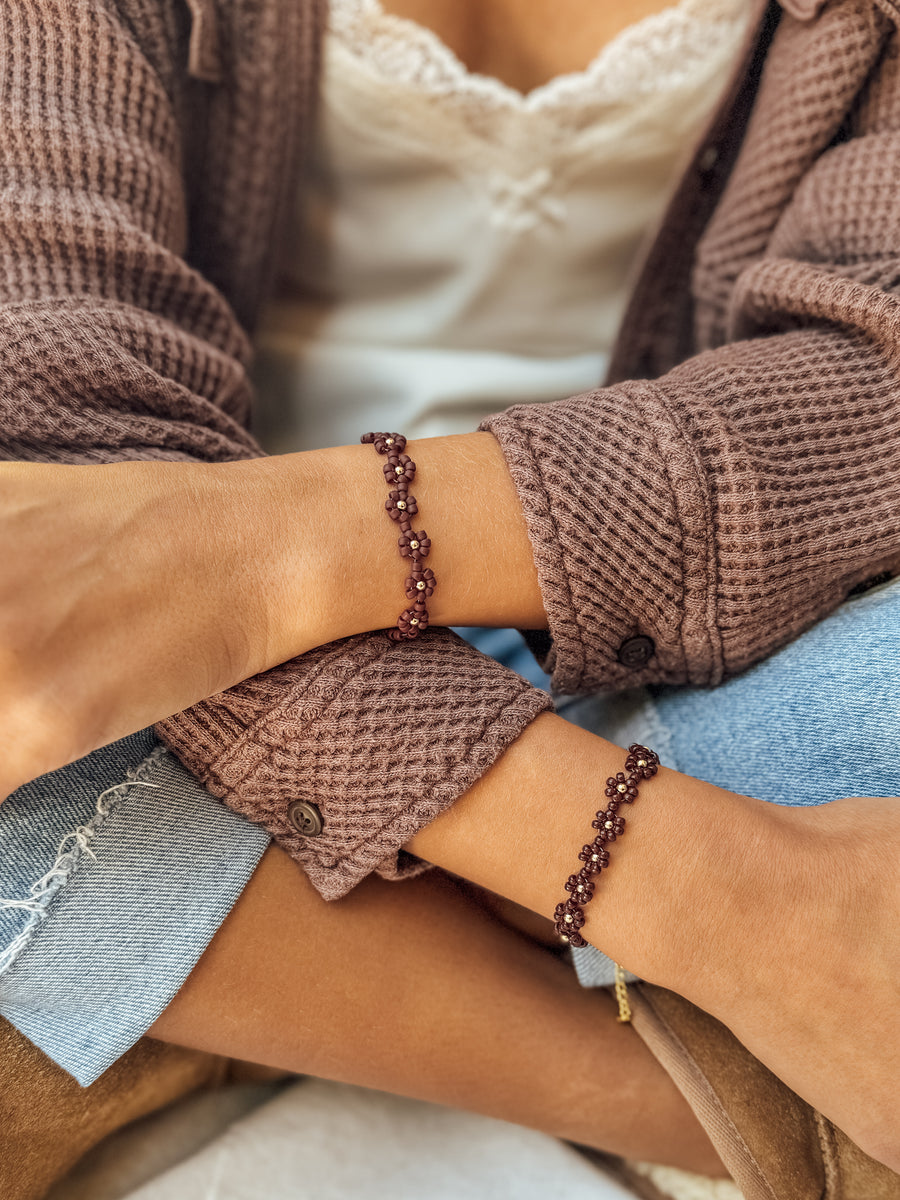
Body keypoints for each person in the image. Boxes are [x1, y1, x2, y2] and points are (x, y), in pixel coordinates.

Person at [0, 0, 898, 1192]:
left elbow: (874, 395)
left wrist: (253, 556)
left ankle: (278, 976)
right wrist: (717, 892)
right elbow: (47, 484)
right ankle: (715, 1099)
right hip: (158, 711)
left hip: (703, 670)